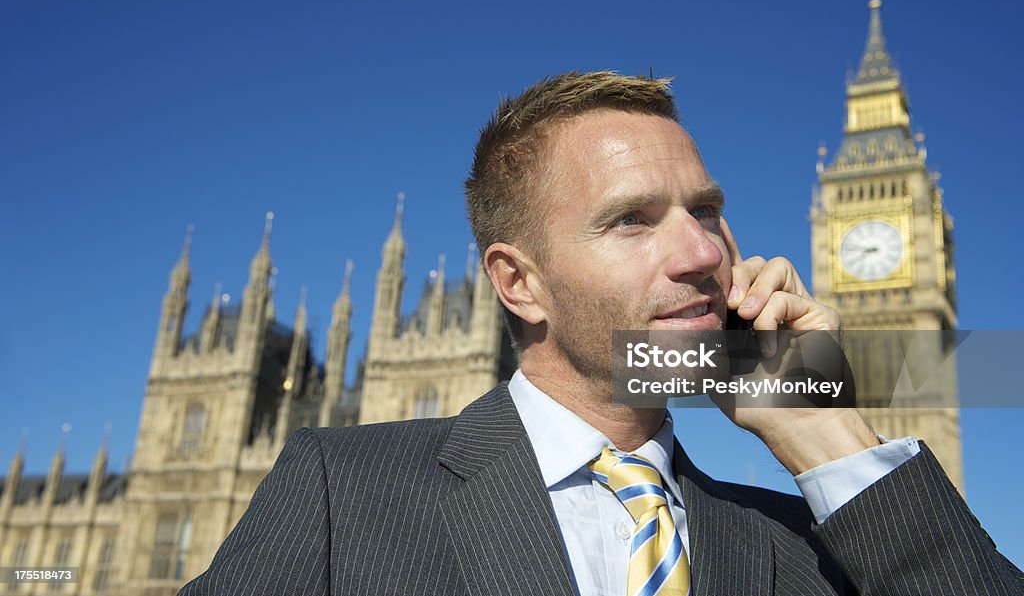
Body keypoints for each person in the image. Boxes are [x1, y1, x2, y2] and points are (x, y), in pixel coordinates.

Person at [180, 72, 1023, 595]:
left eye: (708, 211)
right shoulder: (345, 493)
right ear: (518, 282)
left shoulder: (812, 542)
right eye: (631, 219)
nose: (702, 253)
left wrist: (825, 429)